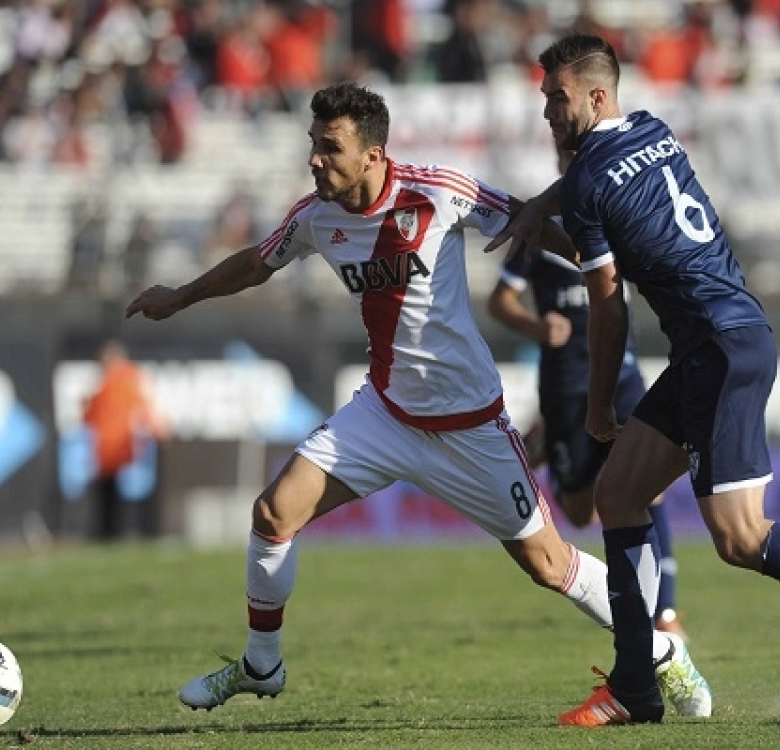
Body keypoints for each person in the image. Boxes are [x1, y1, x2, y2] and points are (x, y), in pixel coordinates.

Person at [125, 82, 711, 718]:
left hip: (471, 427)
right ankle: (262, 664)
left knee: (549, 564)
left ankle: (662, 652)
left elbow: (526, 220)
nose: (315, 159)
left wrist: (604, 257)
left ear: (373, 154)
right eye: (313, 145)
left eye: (330, 147)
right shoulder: (314, 218)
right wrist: (179, 297)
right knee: (272, 513)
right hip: (386, 415)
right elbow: (256, 263)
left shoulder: (437, 190)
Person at [484, 34, 780, 727]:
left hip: (717, 349)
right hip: (724, 339)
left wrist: (600, 404)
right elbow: (589, 188)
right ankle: (635, 686)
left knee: (741, 537)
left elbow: (609, 308)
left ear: (596, 95)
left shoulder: (585, 184)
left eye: (557, 97)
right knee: (618, 493)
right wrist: (541, 206)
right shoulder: (652, 129)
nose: (547, 109)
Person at [488, 145, 685, 637]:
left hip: (622, 376)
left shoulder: (620, 212)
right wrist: (537, 327)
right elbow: (500, 301)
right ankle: (548, 449)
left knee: (652, 486)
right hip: (566, 386)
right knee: (579, 512)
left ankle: (664, 613)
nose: (574, 161)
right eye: (566, 154)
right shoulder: (538, 228)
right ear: (558, 162)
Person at [82, 340, 164, 541]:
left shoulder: (128, 379)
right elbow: (92, 415)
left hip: (123, 445)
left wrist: (153, 428)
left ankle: (130, 532)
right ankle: (110, 533)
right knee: (109, 494)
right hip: (109, 448)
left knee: (128, 493)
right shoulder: (107, 382)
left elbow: (143, 407)